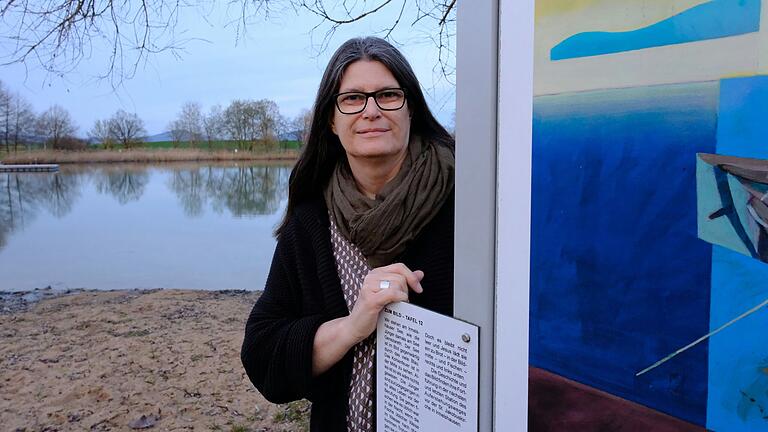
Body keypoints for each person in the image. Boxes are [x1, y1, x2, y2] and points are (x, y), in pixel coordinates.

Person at [241, 36, 455, 431]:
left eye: (389, 95)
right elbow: (263, 355)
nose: (371, 111)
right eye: (353, 99)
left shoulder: (469, 203)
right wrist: (352, 326)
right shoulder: (310, 221)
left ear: (412, 110)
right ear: (331, 121)